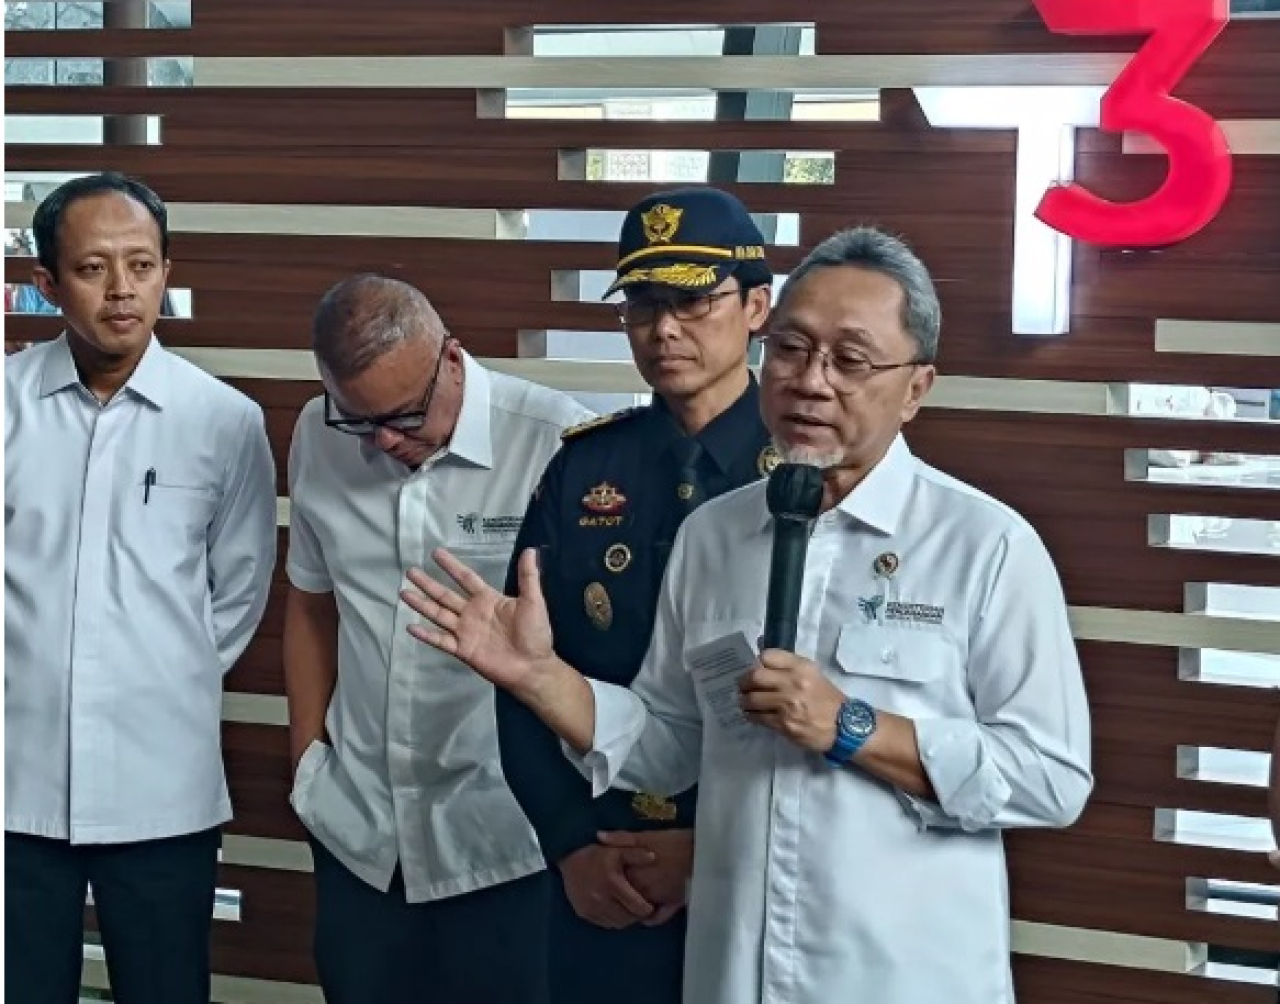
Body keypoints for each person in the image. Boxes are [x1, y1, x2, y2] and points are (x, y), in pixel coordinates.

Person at [401, 225, 1095, 1004]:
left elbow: (1051, 776)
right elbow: (669, 745)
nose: (811, 382)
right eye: (791, 350)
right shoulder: (714, 535)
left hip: (899, 976)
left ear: (915, 388)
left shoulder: (984, 544)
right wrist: (541, 678)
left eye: (851, 360)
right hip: (735, 972)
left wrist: (854, 729)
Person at [495, 187, 774, 1003]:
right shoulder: (585, 466)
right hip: (602, 867)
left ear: (757, 307)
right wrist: (569, 843)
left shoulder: (805, 467)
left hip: (759, 870)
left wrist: (714, 847)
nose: (665, 330)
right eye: (644, 306)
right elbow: (521, 670)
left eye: (693, 302)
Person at [282, 274, 593, 1004]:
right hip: (358, 829)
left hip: (506, 838)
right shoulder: (317, 433)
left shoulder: (554, 443)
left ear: (452, 358)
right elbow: (311, 605)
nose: (384, 441)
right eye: (358, 420)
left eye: (404, 415)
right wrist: (306, 761)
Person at [5, 172, 277, 1004]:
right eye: (92, 269)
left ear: (166, 271)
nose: (122, 290)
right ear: (47, 282)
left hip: (162, 787)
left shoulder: (223, 420)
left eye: (142, 265)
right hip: (13, 786)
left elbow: (237, 592)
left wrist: (157, 672)